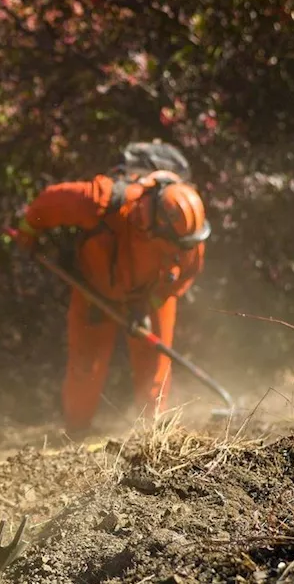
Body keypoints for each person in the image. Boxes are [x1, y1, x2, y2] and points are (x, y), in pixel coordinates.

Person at [12, 153, 209, 432]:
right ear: (151, 226)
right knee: (86, 367)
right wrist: (28, 232)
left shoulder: (187, 238)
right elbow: (49, 202)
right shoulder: (104, 201)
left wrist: (145, 306)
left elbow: (184, 276)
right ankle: (77, 433)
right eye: (173, 245)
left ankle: (152, 434)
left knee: (154, 366)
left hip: (152, 294)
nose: (180, 251)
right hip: (97, 289)